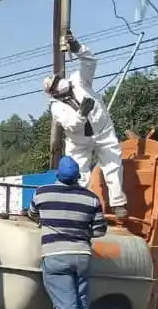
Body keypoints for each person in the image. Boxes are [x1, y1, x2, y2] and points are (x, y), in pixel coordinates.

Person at [27, 155, 108, 309]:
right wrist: (81, 232)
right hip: (82, 256)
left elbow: (33, 215)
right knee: (81, 303)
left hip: (56, 256)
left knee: (67, 305)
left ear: (58, 174)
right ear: (77, 177)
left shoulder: (42, 193)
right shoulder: (91, 198)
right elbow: (100, 230)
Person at [43, 32, 129, 220]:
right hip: (79, 141)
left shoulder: (79, 81)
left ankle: (118, 203)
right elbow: (71, 126)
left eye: (58, 80)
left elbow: (90, 61)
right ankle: (77, 206)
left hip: (102, 130)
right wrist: (82, 113)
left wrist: (77, 47)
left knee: (113, 164)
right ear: (53, 93)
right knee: (79, 174)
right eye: (55, 85)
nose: (59, 83)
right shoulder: (57, 107)